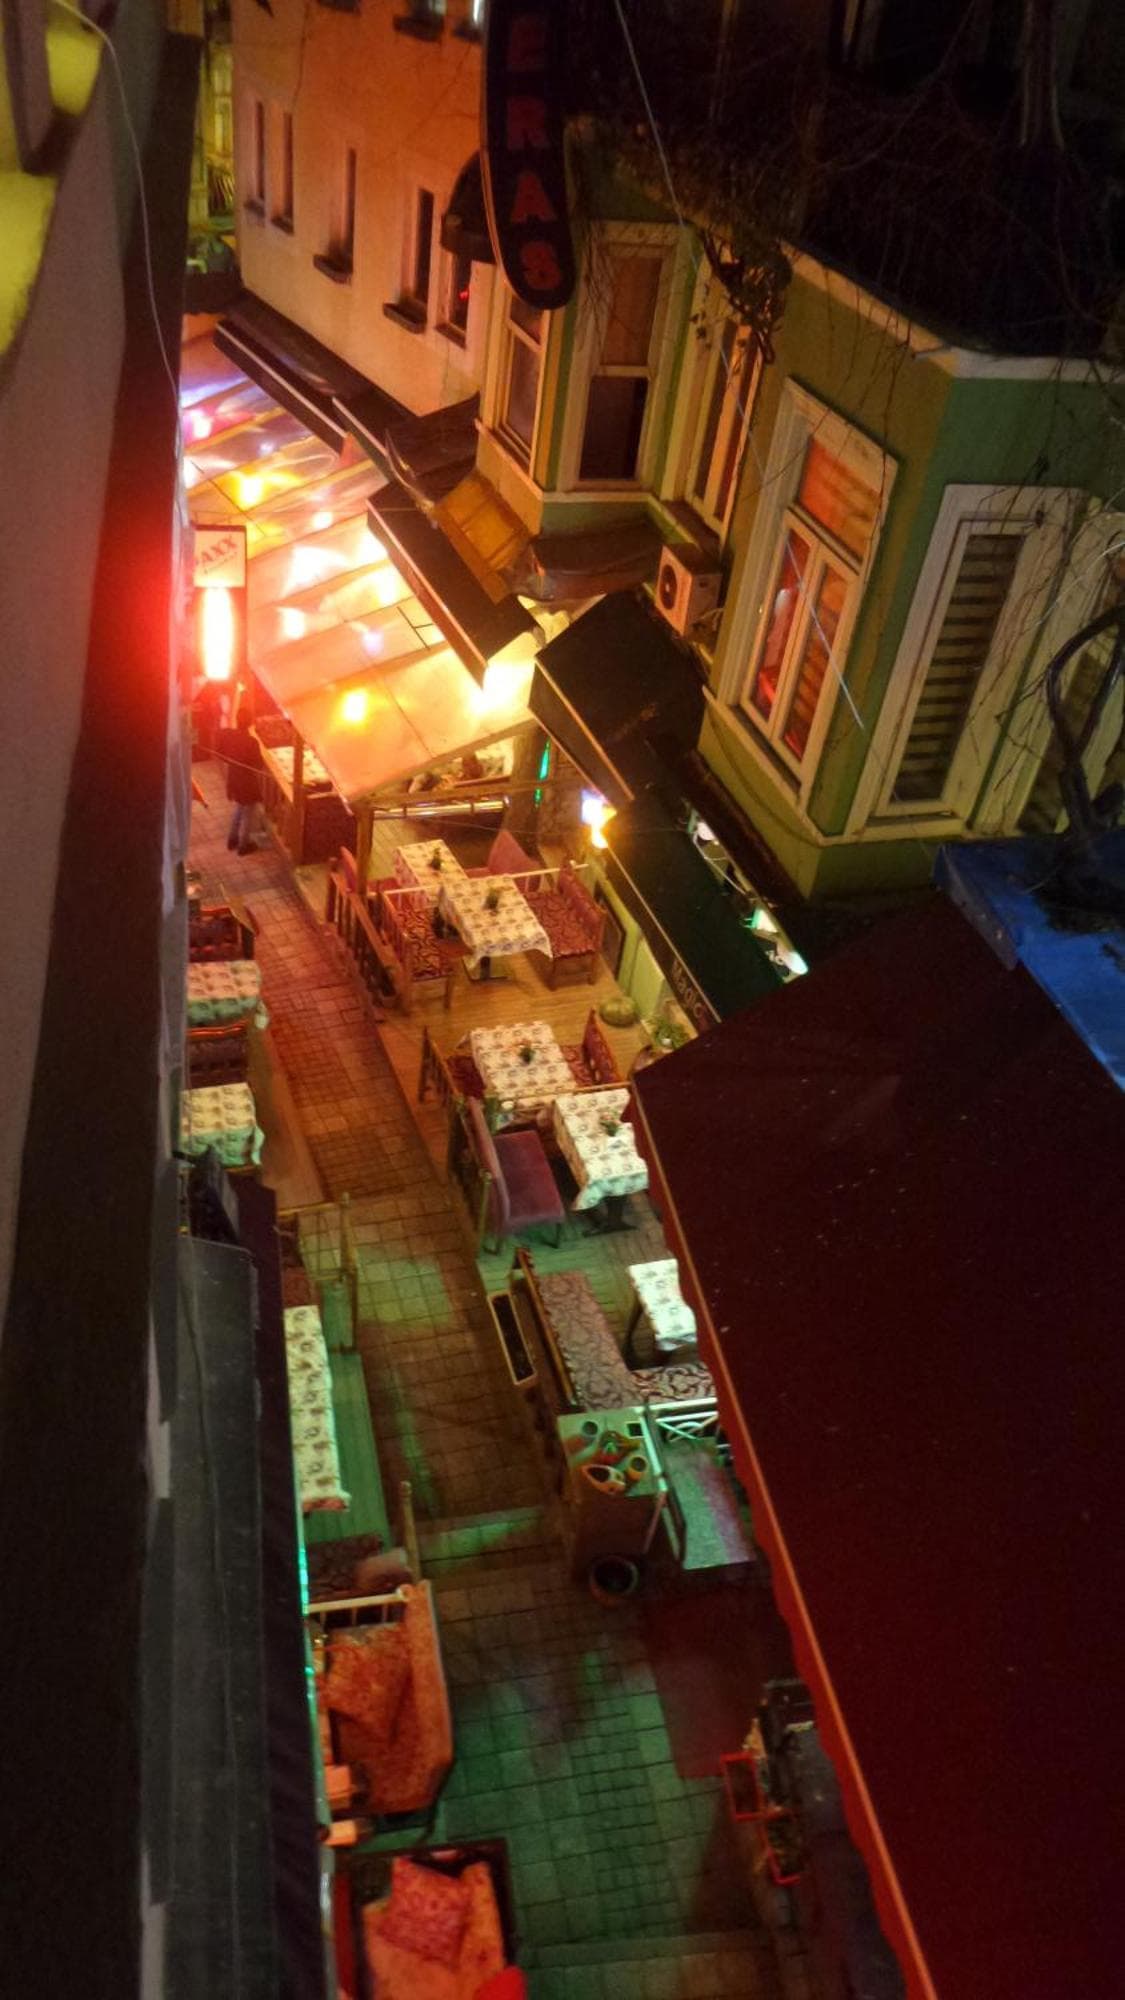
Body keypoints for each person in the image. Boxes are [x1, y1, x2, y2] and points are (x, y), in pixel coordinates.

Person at [216, 704, 264, 854]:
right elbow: (258, 764)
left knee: (239, 807)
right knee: (248, 812)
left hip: (234, 777)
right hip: (247, 780)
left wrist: (232, 761)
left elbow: (220, 752)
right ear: (250, 723)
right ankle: (243, 845)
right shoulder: (251, 742)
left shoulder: (230, 736)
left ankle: (232, 839)